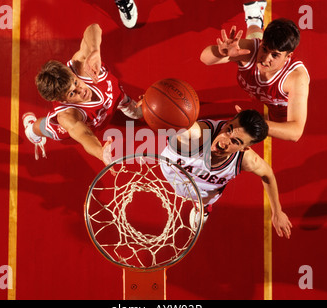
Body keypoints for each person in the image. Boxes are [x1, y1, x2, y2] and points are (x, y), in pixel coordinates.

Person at [160, 109, 292, 239]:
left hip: (202, 193)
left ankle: (203, 208)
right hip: (170, 172)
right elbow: (172, 117)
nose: (223, 142)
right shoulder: (197, 135)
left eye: (235, 142)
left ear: (244, 148)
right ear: (227, 122)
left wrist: (277, 211)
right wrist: (147, 109)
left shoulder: (247, 160)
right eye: (228, 130)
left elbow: (268, 174)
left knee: (207, 198)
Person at [23, 23, 142, 164]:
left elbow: (94, 28)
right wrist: (100, 151)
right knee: (46, 128)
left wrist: (94, 51)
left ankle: (124, 104)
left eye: (75, 82)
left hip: (117, 97)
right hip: (69, 125)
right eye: (72, 94)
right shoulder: (67, 116)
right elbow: (84, 134)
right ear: (63, 101)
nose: (81, 90)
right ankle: (31, 131)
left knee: (139, 112)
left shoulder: (82, 65)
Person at [200, 1, 310, 142]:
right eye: (265, 49)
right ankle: (253, 17)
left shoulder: (295, 78)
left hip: (278, 106)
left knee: (273, 127)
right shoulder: (252, 48)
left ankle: (254, 18)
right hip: (257, 84)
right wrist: (221, 53)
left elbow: (295, 132)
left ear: (288, 56)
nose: (265, 58)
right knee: (253, 42)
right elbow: (205, 58)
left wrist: (252, 124)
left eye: (275, 55)